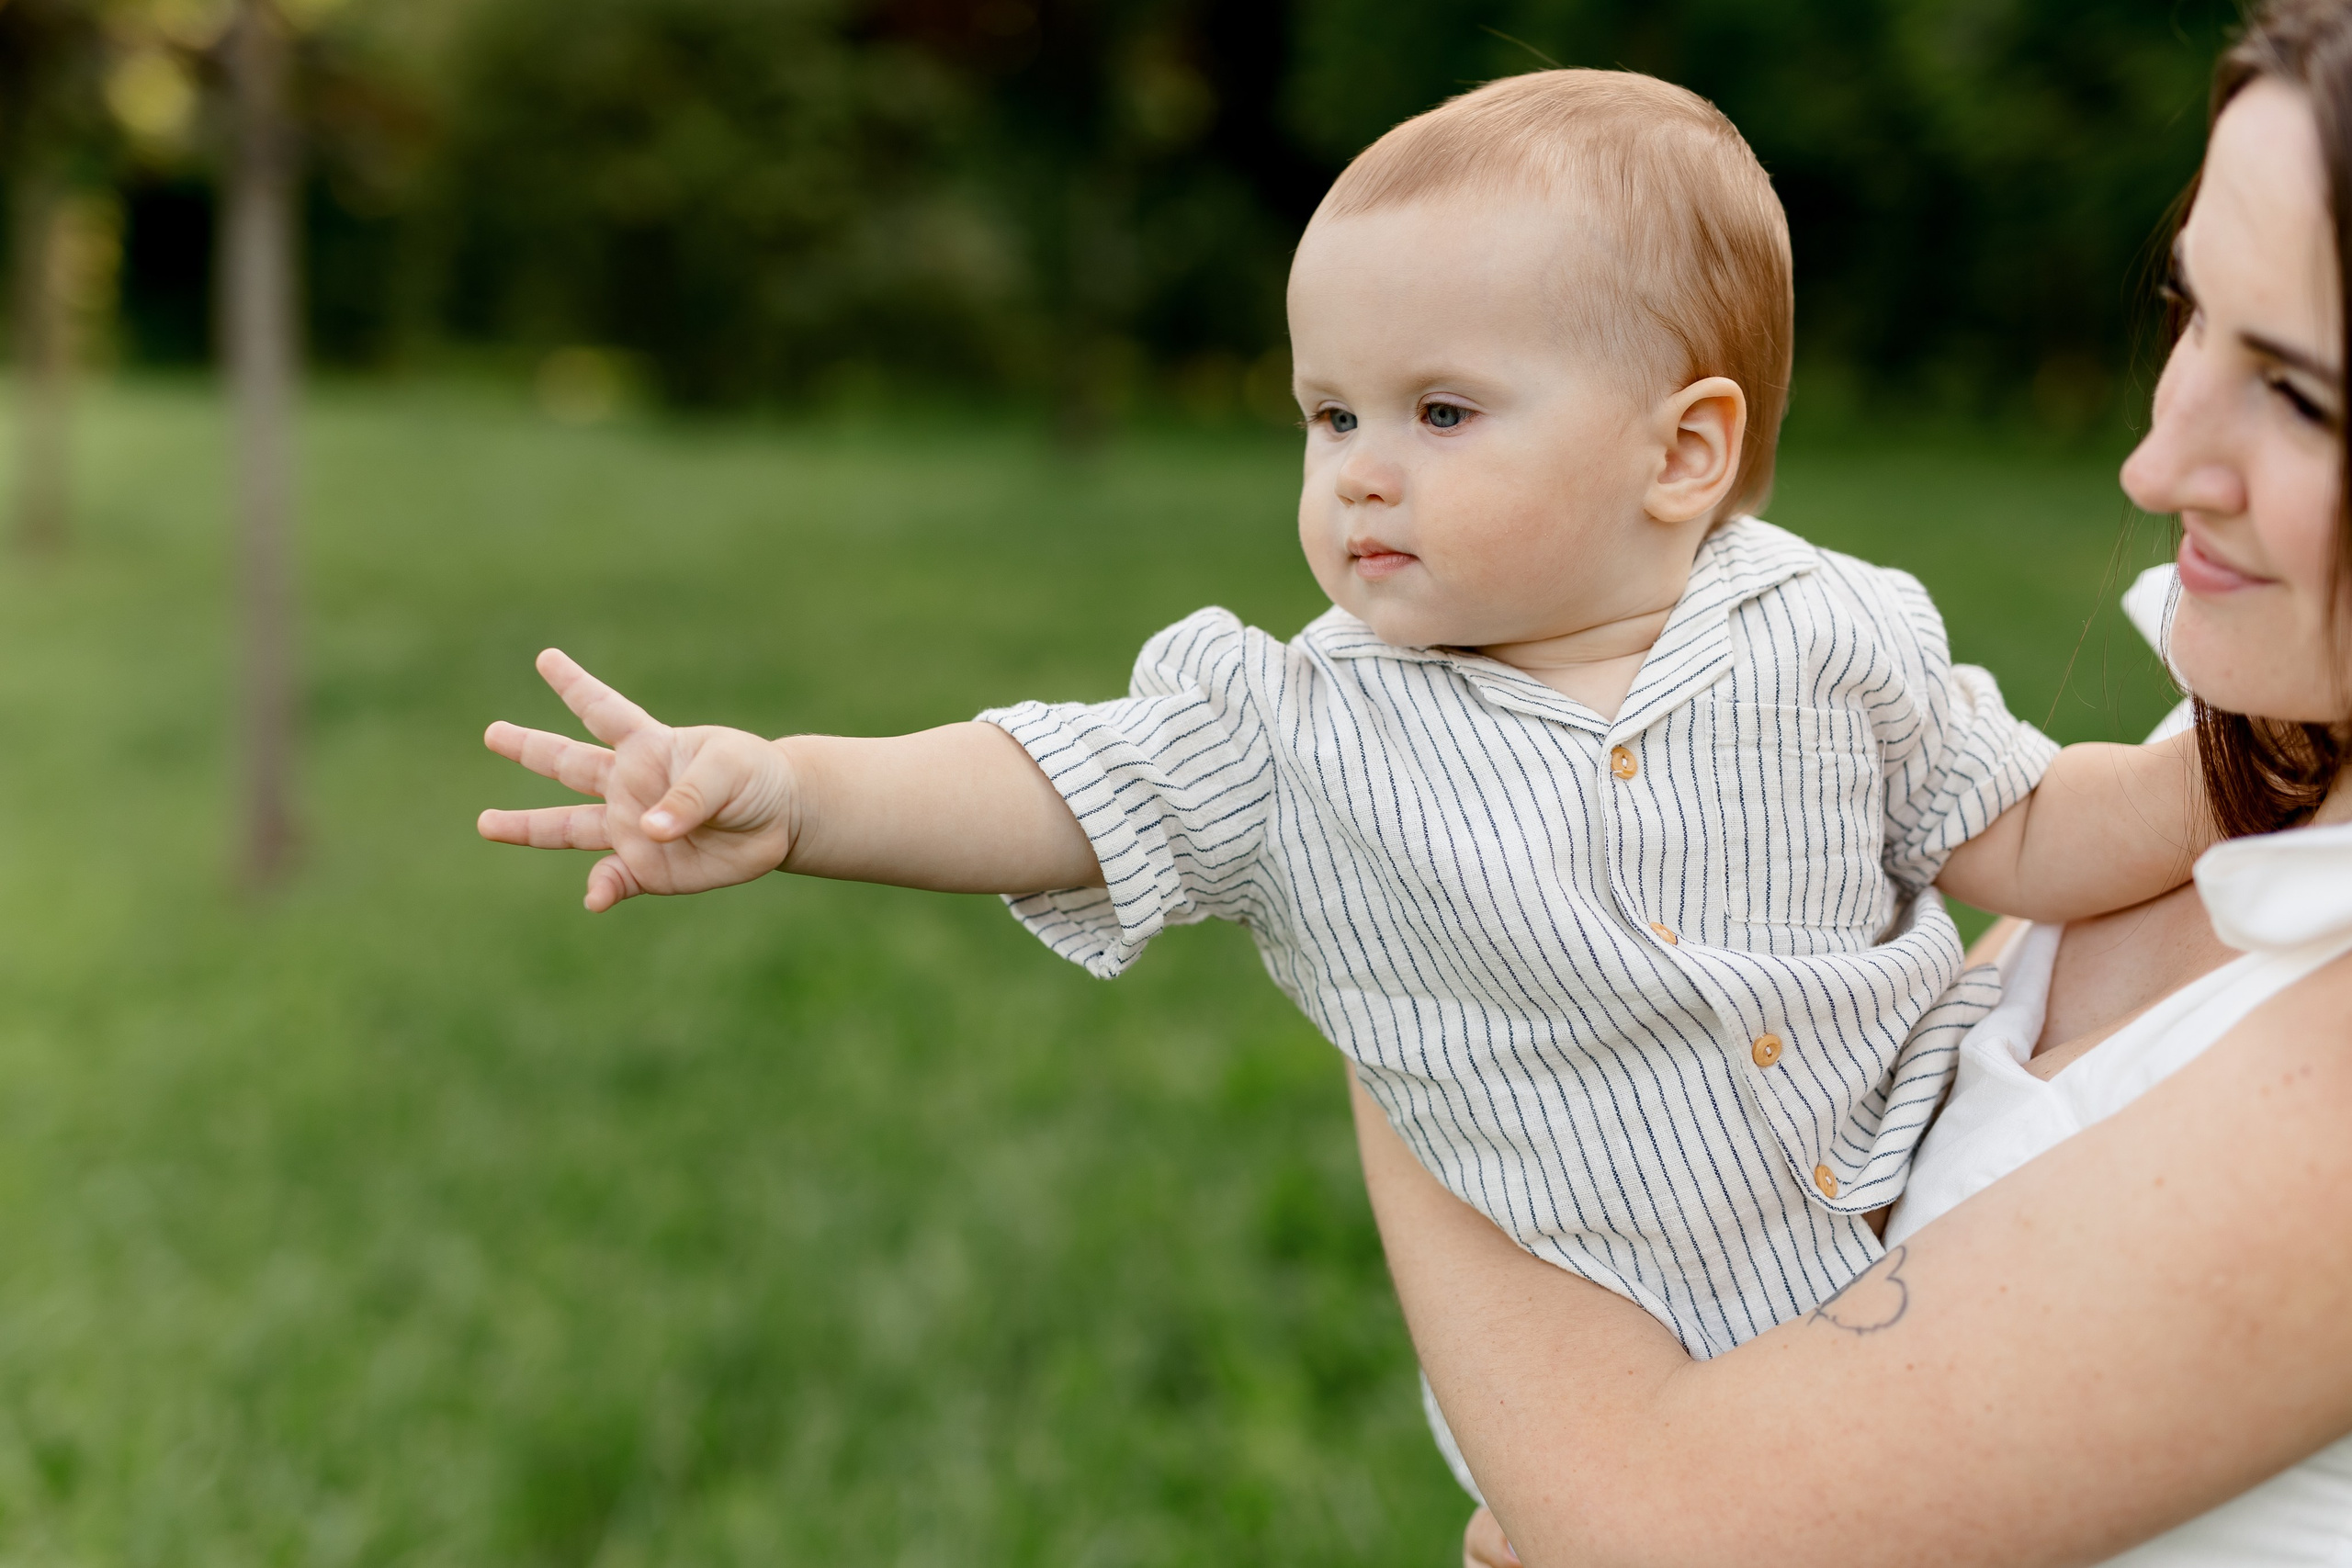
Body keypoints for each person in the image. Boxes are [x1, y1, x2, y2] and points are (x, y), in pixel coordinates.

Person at [478, 71, 2207, 1492]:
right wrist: (796, 795)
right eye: (1328, 418)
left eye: (1441, 416)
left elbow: (2037, 830)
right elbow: (1065, 780)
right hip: (1625, 1338)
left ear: (1682, 452)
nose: (1362, 477)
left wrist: (2251, 767)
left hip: (1923, 1203)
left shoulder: (1834, 629)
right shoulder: (1300, 725)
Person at [1360, 6, 2352, 1562]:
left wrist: (1415, 940)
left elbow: (1674, 1529)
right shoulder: (2259, 737)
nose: (2156, 463)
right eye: (2189, 313)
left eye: (2297, 394)